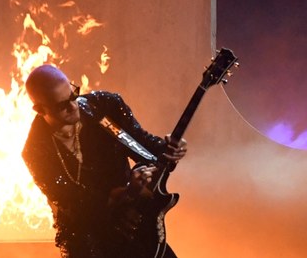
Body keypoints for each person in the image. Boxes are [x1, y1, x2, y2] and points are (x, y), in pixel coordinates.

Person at [22, 64, 188, 258]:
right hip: (87, 234)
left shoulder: (104, 109)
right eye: (61, 105)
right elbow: (74, 205)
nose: (73, 106)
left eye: (73, 94)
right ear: (40, 109)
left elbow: (145, 151)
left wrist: (169, 150)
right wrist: (126, 192)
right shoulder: (36, 151)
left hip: (131, 220)